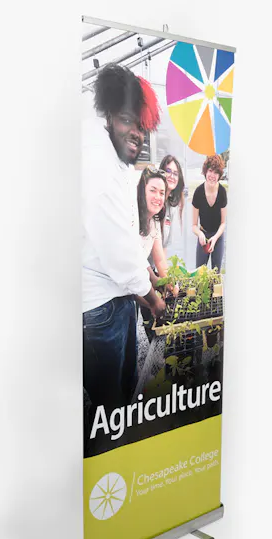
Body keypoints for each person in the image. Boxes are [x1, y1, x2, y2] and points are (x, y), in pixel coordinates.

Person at [81, 64, 166, 423]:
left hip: (113, 301)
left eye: (143, 128)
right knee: (110, 410)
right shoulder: (100, 166)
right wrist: (156, 302)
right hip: (101, 308)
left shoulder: (114, 160)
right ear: (111, 113)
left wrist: (151, 275)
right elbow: (121, 263)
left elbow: (127, 240)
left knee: (123, 390)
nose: (137, 134)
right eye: (130, 121)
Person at [136, 166, 170, 343]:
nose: (158, 197)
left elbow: (150, 259)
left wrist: (160, 280)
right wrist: (153, 302)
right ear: (143, 191)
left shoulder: (154, 221)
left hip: (127, 291)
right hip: (110, 298)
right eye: (153, 190)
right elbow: (130, 272)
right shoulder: (132, 219)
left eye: (162, 192)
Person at [191, 154, 227, 270]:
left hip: (218, 236)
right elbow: (194, 225)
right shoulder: (198, 192)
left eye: (216, 172)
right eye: (210, 170)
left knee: (216, 276)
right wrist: (200, 234)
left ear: (220, 175)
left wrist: (215, 237)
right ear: (205, 171)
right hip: (203, 234)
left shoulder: (222, 192)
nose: (212, 175)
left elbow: (223, 223)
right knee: (199, 274)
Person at [158, 155, 186, 258]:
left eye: (175, 173)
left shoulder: (170, 208)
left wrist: (165, 273)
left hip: (155, 269)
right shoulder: (153, 202)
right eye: (168, 171)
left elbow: (164, 247)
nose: (172, 176)